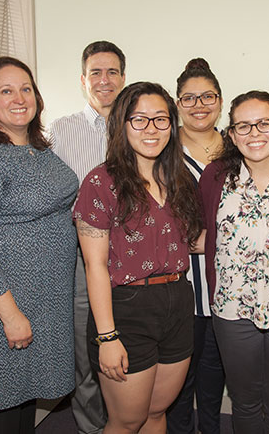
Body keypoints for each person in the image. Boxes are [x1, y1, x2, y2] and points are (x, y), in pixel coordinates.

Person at [0, 56, 78, 433]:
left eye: (25, 88)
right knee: (3, 404)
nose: (19, 97)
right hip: (4, 301)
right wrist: (10, 314)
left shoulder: (38, 149)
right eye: (6, 90)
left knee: (24, 400)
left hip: (43, 299)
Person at [74, 81, 203, 433]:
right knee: (127, 420)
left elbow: (192, 241)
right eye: (139, 119)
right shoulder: (101, 182)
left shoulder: (178, 178)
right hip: (125, 308)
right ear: (121, 124)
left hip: (177, 300)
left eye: (160, 119)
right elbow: (95, 266)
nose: (151, 129)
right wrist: (107, 336)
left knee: (157, 412)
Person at [199, 90, 269, 434]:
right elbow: (201, 230)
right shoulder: (215, 177)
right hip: (233, 311)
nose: (254, 134)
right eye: (243, 127)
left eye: (264, 124)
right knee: (245, 404)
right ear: (231, 135)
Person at [48, 40, 126, 433]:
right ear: (83, 80)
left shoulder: (138, 127)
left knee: (129, 342)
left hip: (131, 258)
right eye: (96, 72)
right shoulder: (61, 131)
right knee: (86, 347)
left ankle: (125, 420)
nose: (104, 79)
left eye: (112, 71)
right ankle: (92, 426)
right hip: (80, 259)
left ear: (123, 78)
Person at [166, 58, 226, 434]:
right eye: (189, 99)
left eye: (207, 96)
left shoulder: (239, 146)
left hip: (227, 288)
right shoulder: (163, 152)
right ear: (177, 104)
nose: (199, 105)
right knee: (177, 384)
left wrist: (215, 241)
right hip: (181, 288)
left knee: (214, 381)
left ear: (220, 100)